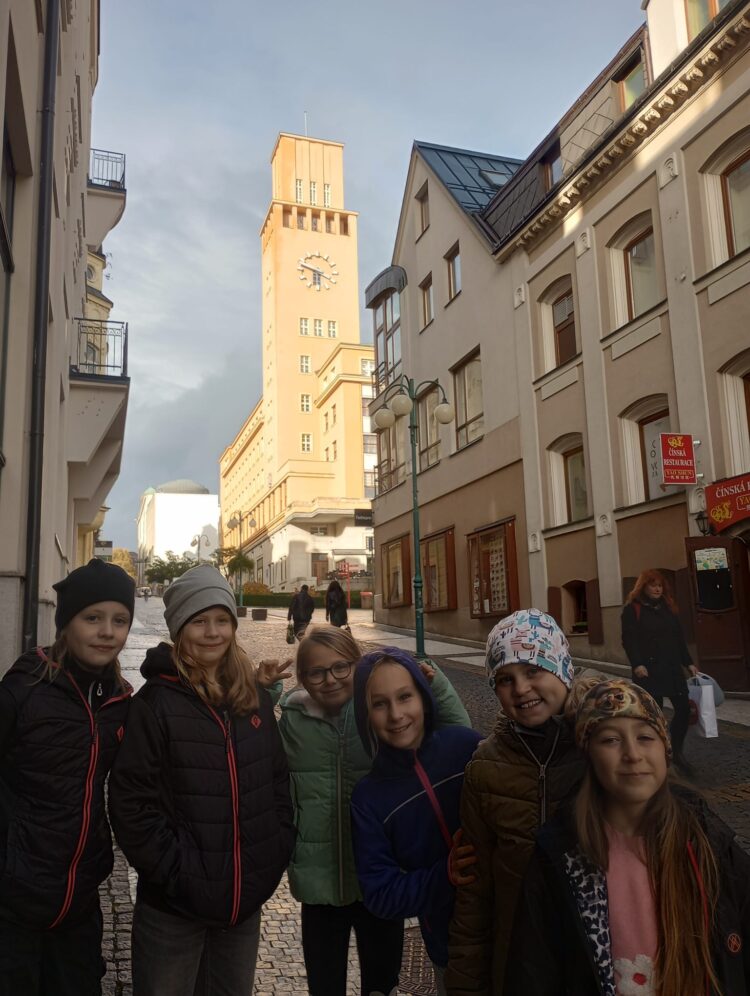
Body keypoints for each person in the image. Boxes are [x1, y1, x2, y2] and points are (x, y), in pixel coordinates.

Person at [109, 564, 295, 996]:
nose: (213, 632)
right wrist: (177, 875)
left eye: (222, 620)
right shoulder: (155, 704)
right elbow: (131, 805)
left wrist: (271, 855)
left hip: (242, 903)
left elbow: (276, 784)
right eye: (199, 621)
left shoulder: (252, 698)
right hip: (174, 909)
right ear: (179, 629)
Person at [505, 678, 750, 995]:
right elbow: (533, 970)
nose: (633, 754)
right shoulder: (561, 856)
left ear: (665, 750)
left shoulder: (707, 842)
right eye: (610, 740)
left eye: (645, 737)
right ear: (589, 755)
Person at [279, 627, 471, 996]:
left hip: (383, 875)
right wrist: (263, 694)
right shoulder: (293, 720)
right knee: (324, 983)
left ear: (358, 667)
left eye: (341, 667)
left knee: (382, 983)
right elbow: (271, 774)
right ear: (302, 677)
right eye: (316, 672)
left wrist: (435, 684)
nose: (330, 679)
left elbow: (452, 737)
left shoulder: (375, 712)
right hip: (319, 880)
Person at [0, 558, 135, 996]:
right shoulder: (24, 690)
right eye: (92, 618)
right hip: (14, 901)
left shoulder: (119, 701)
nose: (107, 632)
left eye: (119, 620)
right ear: (66, 624)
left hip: (78, 901)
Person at [447, 608, 594, 994]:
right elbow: (475, 895)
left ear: (562, 669)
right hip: (518, 963)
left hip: (597, 962)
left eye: (533, 670)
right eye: (505, 679)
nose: (521, 688)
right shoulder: (485, 767)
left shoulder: (602, 747)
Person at [350, 648, 481, 996]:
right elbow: (381, 894)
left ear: (424, 697)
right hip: (449, 949)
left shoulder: (467, 747)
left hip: (514, 932)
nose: (396, 715)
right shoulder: (369, 798)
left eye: (405, 697)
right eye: (380, 704)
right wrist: (444, 876)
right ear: (365, 715)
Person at [621, 569, 697, 773]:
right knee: (653, 714)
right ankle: (656, 753)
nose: (657, 589)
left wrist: (688, 663)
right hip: (648, 670)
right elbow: (629, 640)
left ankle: (677, 751)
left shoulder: (668, 608)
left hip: (672, 669)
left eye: (660, 586)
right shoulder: (633, 609)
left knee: (683, 709)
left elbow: (679, 639)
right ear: (643, 587)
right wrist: (637, 664)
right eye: (653, 585)